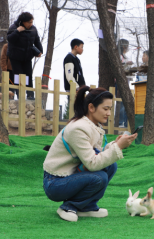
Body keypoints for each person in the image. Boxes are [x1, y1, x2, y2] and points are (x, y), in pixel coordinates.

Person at [42, 86, 137, 222]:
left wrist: (115, 145)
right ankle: (69, 207)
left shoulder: (92, 125)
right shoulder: (79, 128)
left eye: (110, 109)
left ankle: (87, 206)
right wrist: (118, 147)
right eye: (105, 109)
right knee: (99, 177)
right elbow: (92, 163)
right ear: (91, 107)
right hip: (55, 183)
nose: (109, 113)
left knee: (111, 166)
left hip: (71, 176)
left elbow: (97, 155)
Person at [7, 12, 43, 100]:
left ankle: (30, 95)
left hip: (27, 57)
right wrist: (17, 31)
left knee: (29, 76)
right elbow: (9, 39)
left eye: (32, 22)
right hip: (15, 57)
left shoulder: (33, 29)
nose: (31, 24)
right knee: (19, 76)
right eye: (29, 22)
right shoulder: (14, 27)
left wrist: (40, 51)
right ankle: (20, 95)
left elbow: (37, 41)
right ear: (23, 21)